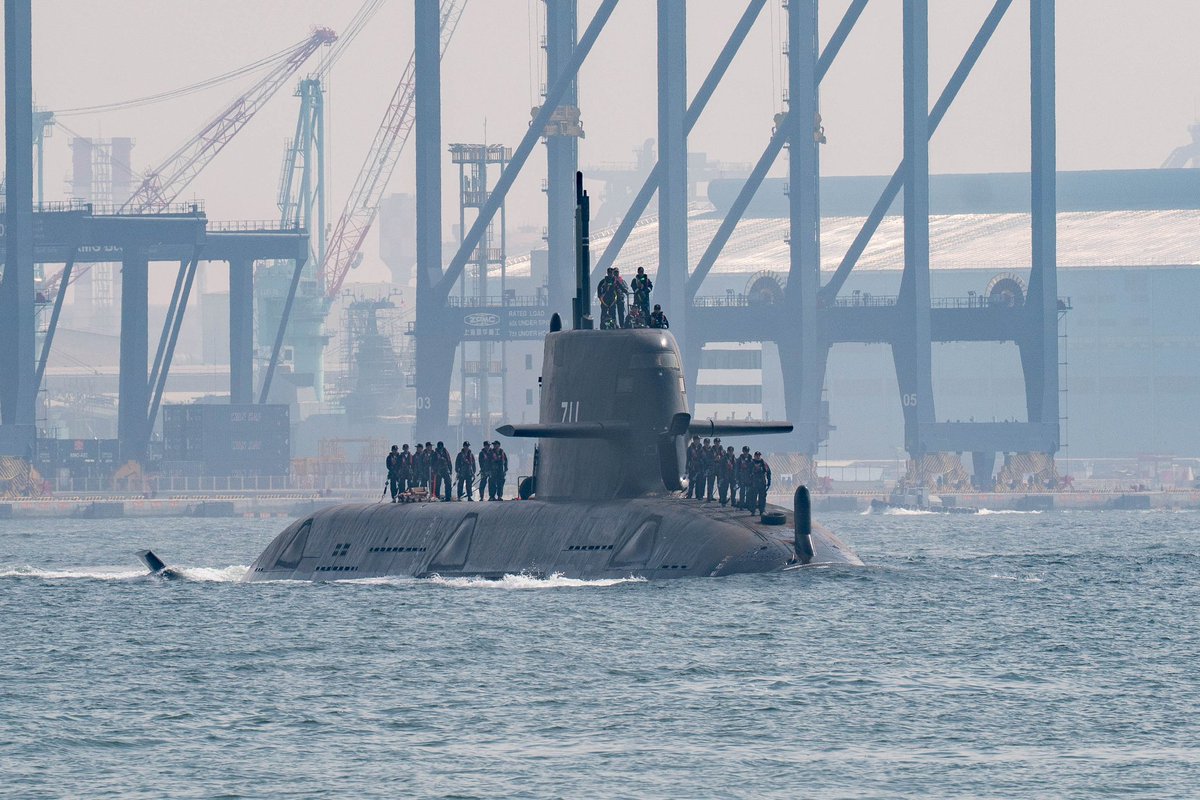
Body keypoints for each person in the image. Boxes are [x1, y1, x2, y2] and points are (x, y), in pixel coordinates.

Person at [748, 451, 772, 515]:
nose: (758, 456)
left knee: (762, 498)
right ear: (754, 456)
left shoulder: (764, 464)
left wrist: (769, 481)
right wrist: (748, 482)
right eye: (756, 455)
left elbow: (768, 473)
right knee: (753, 498)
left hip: (762, 483)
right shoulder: (751, 464)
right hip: (754, 483)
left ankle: (762, 510)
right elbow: (747, 473)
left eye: (759, 455)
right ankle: (753, 511)